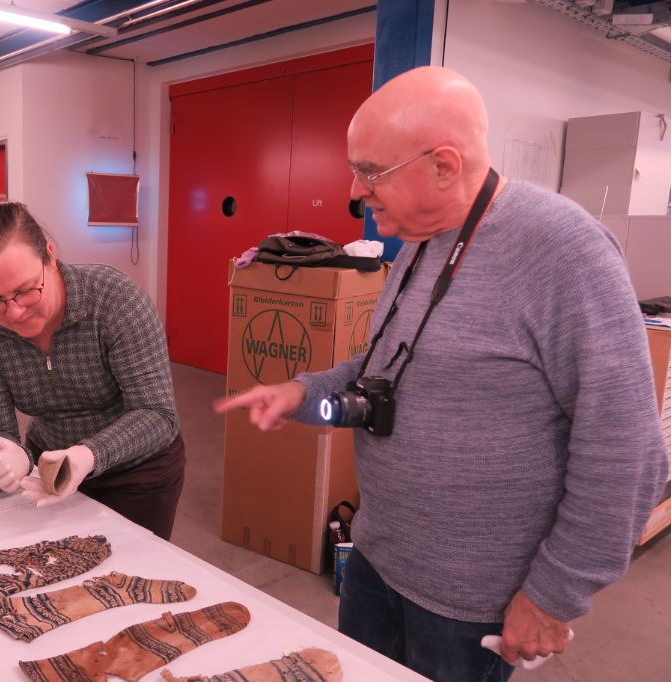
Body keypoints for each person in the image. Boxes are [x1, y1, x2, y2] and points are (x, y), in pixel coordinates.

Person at [216, 66, 668, 681]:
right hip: (377, 560)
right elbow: (387, 368)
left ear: (444, 166)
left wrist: (554, 596)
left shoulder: (564, 251)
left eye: (371, 171)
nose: (356, 189)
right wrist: (302, 391)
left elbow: (627, 452)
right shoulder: (421, 241)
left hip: (471, 604)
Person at [0, 201, 185, 540]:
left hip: (136, 474)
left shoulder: (113, 301)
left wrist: (87, 455)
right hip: (49, 472)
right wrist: (7, 454)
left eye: (25, 291)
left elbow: (157, 414)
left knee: (129, 578)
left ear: (49, 257)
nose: (15, 312)